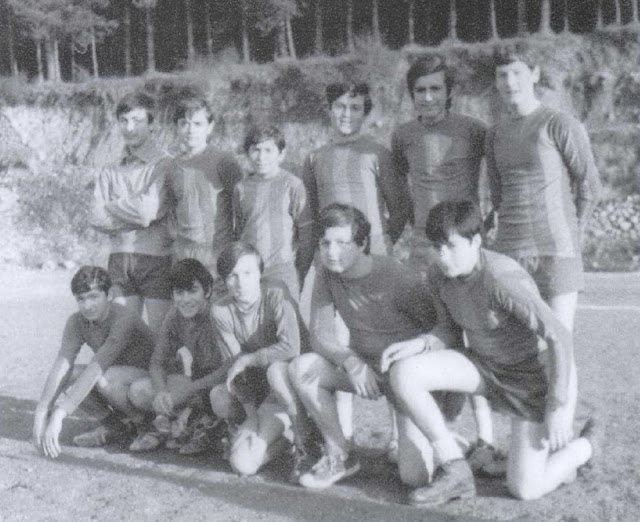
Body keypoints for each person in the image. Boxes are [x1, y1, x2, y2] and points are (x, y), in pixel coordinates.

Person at [385, 201, 597, 506]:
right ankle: (455, 468)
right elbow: (448, 332)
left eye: (451, 246)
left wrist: (557, 405)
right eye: (437, 247)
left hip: (528, 380)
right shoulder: (438, 275)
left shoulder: (501, 277)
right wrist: (420, 344)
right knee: (404, 371)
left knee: (525, 489)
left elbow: (559, 336)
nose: (442, 256)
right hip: (484, 367)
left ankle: (585, 446)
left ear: (475, 241)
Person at [289, 203, 481, 490]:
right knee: (302, 368)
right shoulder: (326, 274)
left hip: (405, 379)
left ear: (362, 243)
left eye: (342, 243)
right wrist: (351, 361)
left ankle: (444, 435)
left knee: (414, 477)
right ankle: (340, 454)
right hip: (367, 372)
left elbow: (445, 332)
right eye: (325, 243)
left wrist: (445, 402)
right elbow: (320, 334)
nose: (331, 251)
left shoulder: (397, 277)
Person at [485, 48, 602, 422]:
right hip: (510, 254)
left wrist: (575, 238)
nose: (510, 82)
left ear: (534, 74)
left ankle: (561, 434)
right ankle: (532, 441)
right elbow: (498, 197)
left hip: (557, 253)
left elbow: (590, 187)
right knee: (524, 353)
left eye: (517, 73)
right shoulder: (495, 134)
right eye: (502, 75)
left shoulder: (559, 123)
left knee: (559, 345)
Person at [299, 82, 411, 454]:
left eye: (355, 108)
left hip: (373, 265)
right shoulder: (315, 158)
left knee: (387, 344)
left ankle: (398, 437)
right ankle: (344, 435)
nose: (346, 115)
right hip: (332, 268)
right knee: (339, 347)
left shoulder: (377, 153)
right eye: (340, 107)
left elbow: (401, 207)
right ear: (329, 110)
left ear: (366, 112)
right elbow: (313, 217)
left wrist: (376, 247)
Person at [208, 242, 310, 477]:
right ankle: (285, 440)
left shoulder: (276, 292)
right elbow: (236, 368)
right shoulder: (220, 310)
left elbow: (291, 347)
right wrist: (252, 417)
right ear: (224, 280)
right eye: (232, 276)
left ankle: (304, 439)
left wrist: (249, 359)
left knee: (276, 371)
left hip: (292, 385)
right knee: (242, 463)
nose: (241, 283)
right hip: (264, 394)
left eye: (248, 273)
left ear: (260, 273)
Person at [33, 266, 155, 459]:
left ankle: (148, 427)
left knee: (104, 377)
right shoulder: (77, 321)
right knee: (71, 375)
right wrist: (42, 411)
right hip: (120, 381)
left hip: (154, 384)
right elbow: (62, 364)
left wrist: (59, 414)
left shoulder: (124, 317)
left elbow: (98, 367)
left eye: (93, 297)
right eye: (81, 299)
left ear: (109, 295)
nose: (87, 305)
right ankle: (116, 426)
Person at [391, 55, 487, 276]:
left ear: (449, 92)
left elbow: (502, 170)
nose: (428, 97)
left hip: (463, 243)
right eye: (420, 90)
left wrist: (488, 219)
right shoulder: (402, 135)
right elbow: (400, 188)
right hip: (423, 245)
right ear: (412, 94)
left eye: (435, 89)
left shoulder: (474, 130)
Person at [90, 91, 173, 333]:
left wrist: (111, 207)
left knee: (161, 337)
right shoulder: (109, 170)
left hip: (156, 259)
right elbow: (95, 217)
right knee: (123, 336)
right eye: (124, 120)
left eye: (137, 120)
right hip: (118, 259)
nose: (129, 128)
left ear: (152, 123)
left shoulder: (164, 165)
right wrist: (134, 213)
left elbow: (147, 212)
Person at [127, 258, 230, 453]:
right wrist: (161, 391)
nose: (185, 299)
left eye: (192, 291)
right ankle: (188, 422)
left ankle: (218, 427)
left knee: (220, 399)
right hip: (198, 385)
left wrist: (191, 390)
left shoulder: (219, 313)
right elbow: (158, 362)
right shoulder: (175, 315)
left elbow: (230, 367)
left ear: (207, 291)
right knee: (139, 391)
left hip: (226, 385)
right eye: (179, 293)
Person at [165, 94, 243, 289]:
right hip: (184, 260)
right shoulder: (172, 167)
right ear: (176, 127)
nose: (191, 130)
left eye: (198, 124)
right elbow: (172, 213)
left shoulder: (224, 161)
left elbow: (242, 208)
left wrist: (236, 254)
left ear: (210, 127)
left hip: (217, 259)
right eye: (184, 123)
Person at [234, 124, 312, 300]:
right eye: (256, 150)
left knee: (285, 314)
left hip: (282, 270)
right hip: (249, 270)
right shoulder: (241, 188)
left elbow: (306, 236)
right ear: (247, 153)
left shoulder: (293, 185)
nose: (261, 157)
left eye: (268, 150)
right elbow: (239, 230)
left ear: (281, 154)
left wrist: (299, 272)